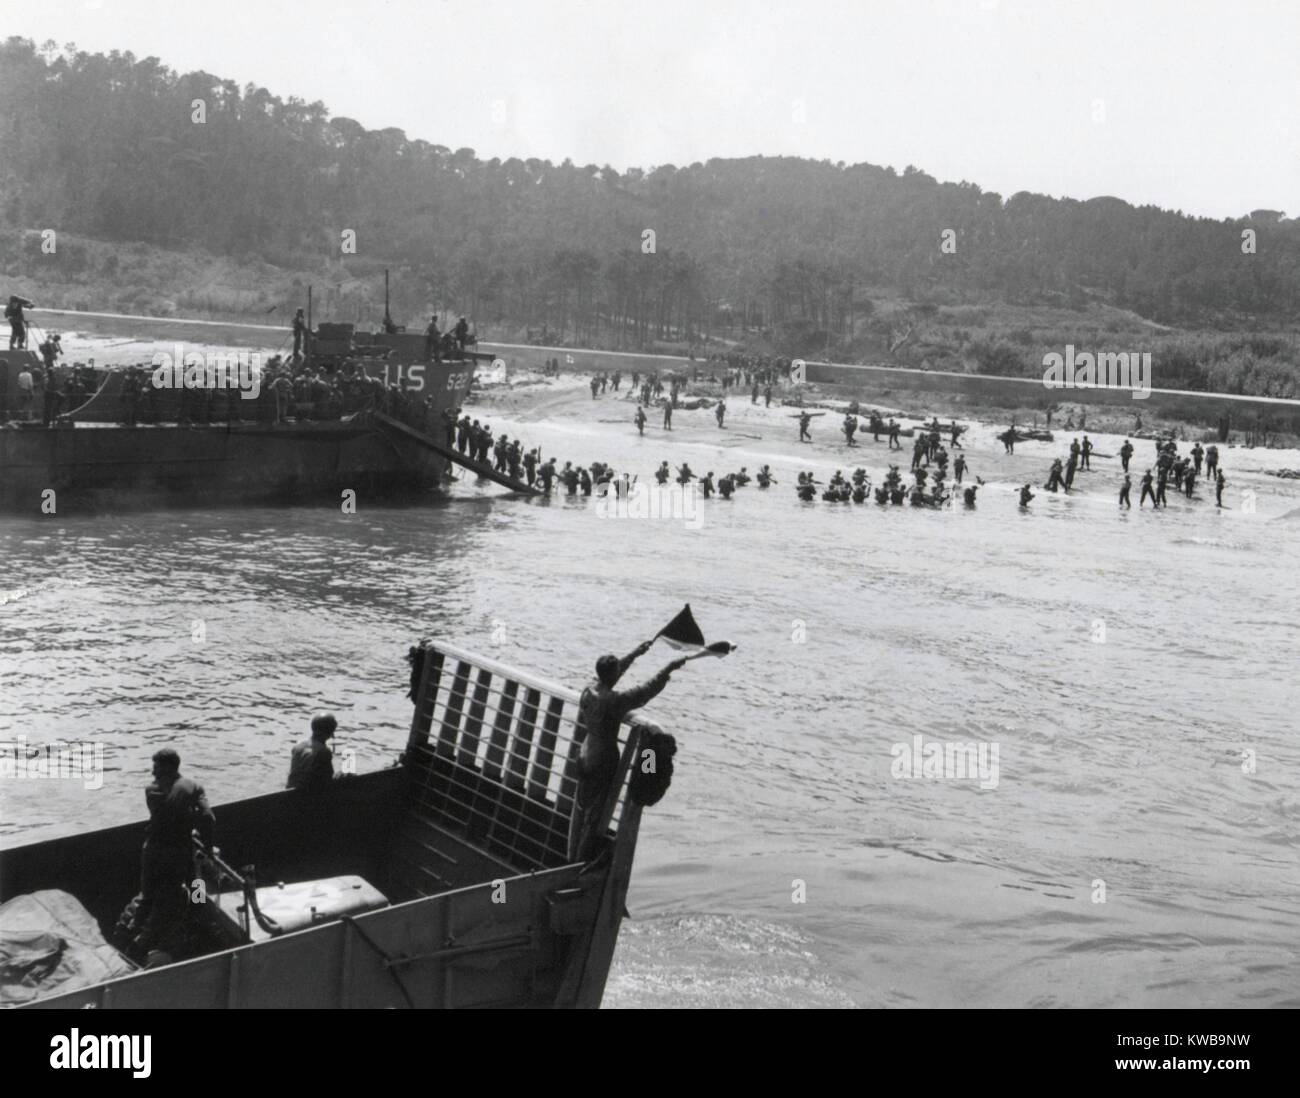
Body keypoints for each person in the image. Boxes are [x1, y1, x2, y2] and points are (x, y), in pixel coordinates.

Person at [568, 641, 687, 862]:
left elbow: (612, 673)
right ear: (613, 674)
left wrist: (636, 653)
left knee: (581, 808)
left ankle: (570, 856)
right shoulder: (614, 701)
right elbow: (646, 690)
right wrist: (669, 668)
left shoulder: (589, 689)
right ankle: (578, 864)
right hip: (602, 760)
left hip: (584, 755)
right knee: (594, 817)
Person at [133, 748, 215, 954]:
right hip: (178, 851)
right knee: (195, 883)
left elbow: (166, 815)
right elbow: (208, 818)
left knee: (148, 896)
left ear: (168, 767)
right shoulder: (194, 786)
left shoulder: (150, 790)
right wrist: (207, 846)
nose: (153, 773)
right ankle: (198, 920)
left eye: (156, 768)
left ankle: (131, 931)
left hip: (151, 850)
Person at [287, 714, 339, 791]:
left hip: (290, 790)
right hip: (308, 795)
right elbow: (328, 780)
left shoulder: (298, 745)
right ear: (331, 732)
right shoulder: (324, 752)